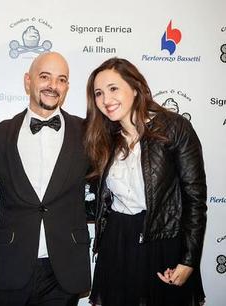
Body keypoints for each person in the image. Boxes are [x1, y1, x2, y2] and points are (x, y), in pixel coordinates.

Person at [85, 57, 207, 306]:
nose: (106, 100)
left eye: (113, 88)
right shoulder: (104, 137)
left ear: (135, 88)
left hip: (163, 241)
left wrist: (188, 259)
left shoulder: (174, 128)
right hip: (118, 240)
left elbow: (195, 199)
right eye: (98, 93)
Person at [0, 52, 91, 306]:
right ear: (27, 81)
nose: (53, 86)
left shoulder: (86, 133)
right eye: (45, 77)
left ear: (66, 87)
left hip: (64, 268)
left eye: (61, 80)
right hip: (11, 264)